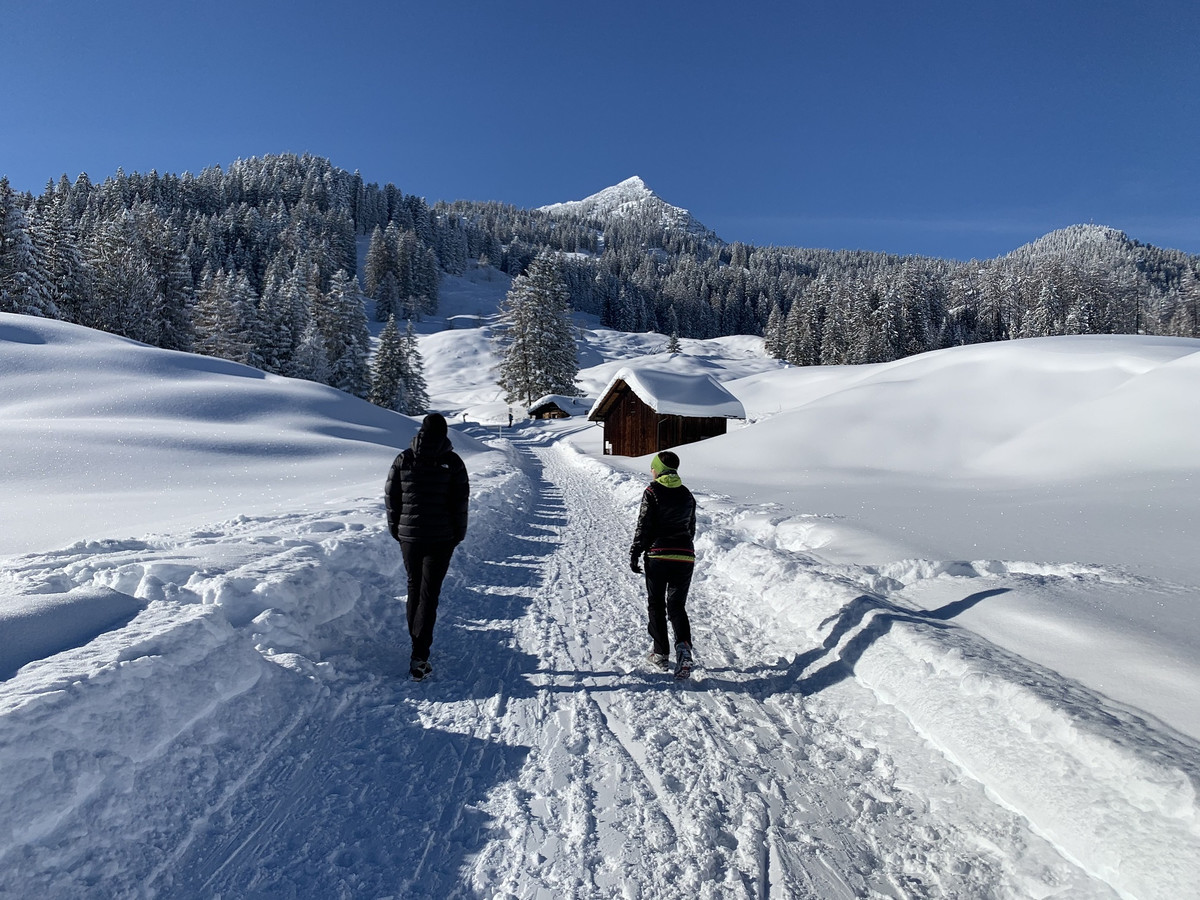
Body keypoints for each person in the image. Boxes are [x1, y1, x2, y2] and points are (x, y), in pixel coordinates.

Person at [385, 413, 469, 681]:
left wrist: (396, 528)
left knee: (414, 586)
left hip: (409, 537)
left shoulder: (403, 458)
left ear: (421, 432)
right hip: (442, 537)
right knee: (429, 593)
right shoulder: (452, 461)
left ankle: (416, 644)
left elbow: (391, 497)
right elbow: (460, 502)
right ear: (445, 434)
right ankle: (420, 653)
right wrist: (459, 533)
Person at [630, 450, 697, 678]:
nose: (651, 471)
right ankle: (684, 648)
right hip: (685, 555)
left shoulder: (652, 491)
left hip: (658, 555)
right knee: (677, 605)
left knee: (656, 604)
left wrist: (635, 551)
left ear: (658, 469)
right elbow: (691, 528)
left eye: (652, 467)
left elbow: (644, 524)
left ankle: (660, 654)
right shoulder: (687, 494)